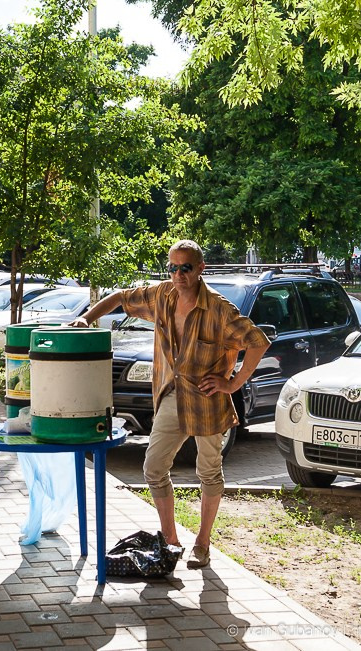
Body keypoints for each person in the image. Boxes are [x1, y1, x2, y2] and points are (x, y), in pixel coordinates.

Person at [68, 240, 270, 568]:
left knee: (209, 472)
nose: (178, 274)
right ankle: (171, 540)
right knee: (153, 467)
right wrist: (86, 319)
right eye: (172, 268)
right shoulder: (162, 295)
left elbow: (257, 341)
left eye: (185, 268)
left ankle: (202, 543)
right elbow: (120, 297)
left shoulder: (219, 309)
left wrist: (233, 383)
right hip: (172, 394)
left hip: (207, 399)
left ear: (200, 268)